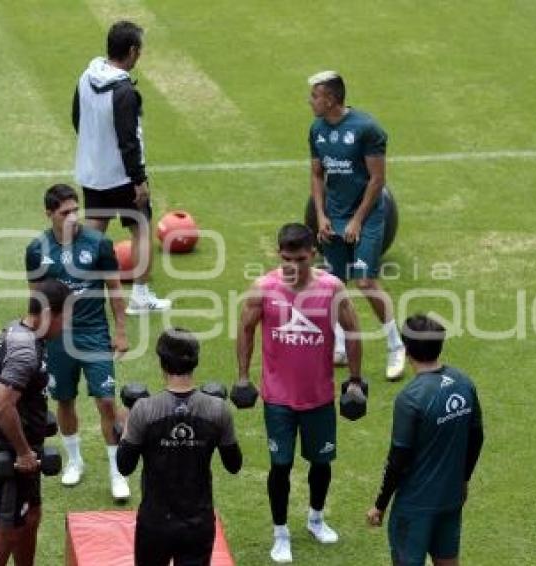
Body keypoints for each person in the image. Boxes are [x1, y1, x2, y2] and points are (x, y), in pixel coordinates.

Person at [236, 222, 365, 563]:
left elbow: (353, 330)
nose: (294, 266)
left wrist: (355, 379)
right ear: (280, 254)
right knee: (281, 465)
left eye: (301, 259)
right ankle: (280, 533)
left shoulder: (332, 288)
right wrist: (242, 377)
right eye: (287, 258)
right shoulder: (263, 288)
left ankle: (316, 519)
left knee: (321, 462)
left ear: (313, 255)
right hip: (278, 398)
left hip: (319, 396)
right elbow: (246, 329)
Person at [25, 183, 131, 501]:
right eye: (64, 212)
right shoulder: (36, 249)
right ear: (49, 214)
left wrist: (121, 331)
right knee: (65, 400)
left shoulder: (98, 243)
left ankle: (117, 472)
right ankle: (75, 460)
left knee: (106, 401)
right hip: (57, 338)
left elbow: (114, 288)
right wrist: (36, 337)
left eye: (75, 210)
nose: (72, 217)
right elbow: (36, 297)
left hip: (94, 333)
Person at [307, 70, 406, 380]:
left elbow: (378, 179)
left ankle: (395, 346)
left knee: (365, 282)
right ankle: (338, 343)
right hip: (333, 217)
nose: (310, 101)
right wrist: (321, 217)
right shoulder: (316, 130)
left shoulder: (366, 129)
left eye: (315, 96)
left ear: (331, 98)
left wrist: (357, 220)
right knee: (334, 284)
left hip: (369, 215)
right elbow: (316, 175)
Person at [117, 327, 242, 565]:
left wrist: (127, 424)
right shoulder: (218, 410)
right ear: (195, 361)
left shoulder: (143, 410)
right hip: (198, 523)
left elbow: (124, 466)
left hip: (155, 524)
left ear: (162, 363)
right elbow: (234, 465)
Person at [366, 314, 484, 566]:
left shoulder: (410, 399)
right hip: (450, 499)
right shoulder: (464, 383)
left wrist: (380, 505)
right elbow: (477, 437)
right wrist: (463, 479)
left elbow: (398, 458)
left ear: (407, 350)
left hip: (415, 506)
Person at [72, 19, 171, 314]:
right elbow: (129, 141)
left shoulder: (84, 78)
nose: (139, 55)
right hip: (122, 176)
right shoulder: (125, 92)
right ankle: (140, 296)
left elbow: (77, 119)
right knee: (141, 228)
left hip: (92, 171)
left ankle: (79, 290)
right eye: (138, 50)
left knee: (94, 229)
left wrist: (94, 149)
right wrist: (139, 181)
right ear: (130, 51)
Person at [0, 278, 70, 566]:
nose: (66, 325)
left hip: (27, 449)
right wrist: (22, 451)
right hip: (12, 455)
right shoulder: (25, 351)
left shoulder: (18, 331)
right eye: (64, 317)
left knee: (31, 517)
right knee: (5, 532)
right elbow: (3, 404)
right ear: (47, 314)